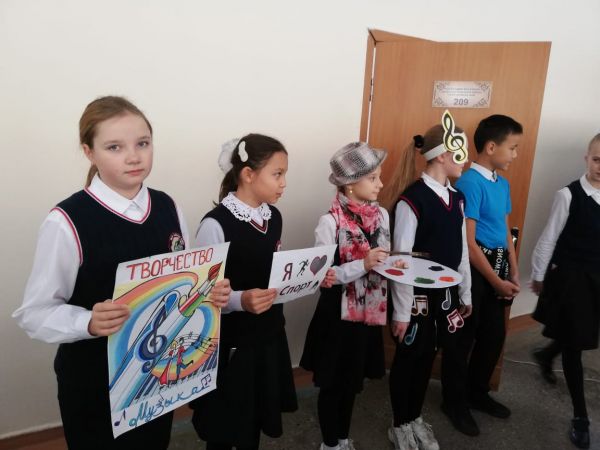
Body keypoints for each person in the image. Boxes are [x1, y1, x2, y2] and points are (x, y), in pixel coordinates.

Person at [12, 96, 230, 449]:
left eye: (143, 143)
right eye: (114, 147)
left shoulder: (168, 206)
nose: (134, 157)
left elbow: (185, 280)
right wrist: (88, 321)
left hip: (154, 373)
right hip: (94, 379)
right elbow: (34, 314)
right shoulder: (67, 221)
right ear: (89, 152)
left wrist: (209, 293)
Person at [190, 134, 297, 450]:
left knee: (254, 418)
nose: (284, 183)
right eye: (277, 174)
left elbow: (269, 270)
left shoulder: (273, 217)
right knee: (226, 423)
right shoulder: (216, 225)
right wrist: (241, 300)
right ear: (248, 174)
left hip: (267, 334)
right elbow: (201, 295)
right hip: (232, 344)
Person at [379, 111, 475, 449]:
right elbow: (401, 261)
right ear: (445, 155)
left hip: (445, 295)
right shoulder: (412, 200)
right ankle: (400, 424)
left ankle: (414, 417)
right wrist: (401, 312)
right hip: (415, 297)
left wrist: (465, 292)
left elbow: (461, 250)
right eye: (461, 152)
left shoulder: (458, 198)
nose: (466, 160)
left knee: (429, 356)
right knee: (409, 358)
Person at [301, 142, 392, 450]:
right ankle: (330, 443)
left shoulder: (382, 216)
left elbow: (384, 259)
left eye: (379, 177)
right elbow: (322, 276)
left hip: (368, 313)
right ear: (350, 184)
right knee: (333, 384)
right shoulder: (330, 222)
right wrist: (362, 265)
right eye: (373, 178)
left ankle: (342, 438)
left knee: (353, 382)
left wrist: (394, 265)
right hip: (337, 316)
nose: (381, 184)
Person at [531, 133, 600, 449]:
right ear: (587, 158)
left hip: (596, 280)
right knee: (575, 344)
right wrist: (538, 274)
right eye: (597, 159)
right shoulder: (568, 195)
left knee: (578, 332)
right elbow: (549, 237)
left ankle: (545, 354)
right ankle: (581, 417)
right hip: (571, 279)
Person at [455, 114, 522, 422]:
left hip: (498, 266)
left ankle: (477, 392)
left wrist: (513, 270)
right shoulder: (469, 183)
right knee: (464, 337)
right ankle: (455, 401)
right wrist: (495, 281)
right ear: (491, 147)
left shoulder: (502, 184)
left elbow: (504, 230)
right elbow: (469, 244)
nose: (515, 154)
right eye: (513, 147)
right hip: (476, 270)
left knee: (493, 336)